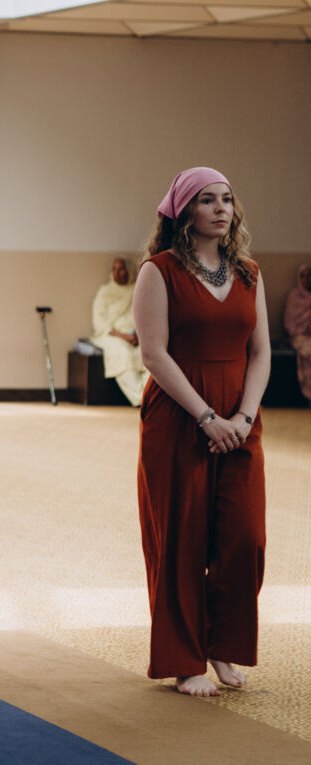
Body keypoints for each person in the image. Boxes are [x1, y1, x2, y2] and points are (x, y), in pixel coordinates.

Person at [132, 166, 270, 698]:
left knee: (244, 538)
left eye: (227, 199)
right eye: (207, 200)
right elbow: (153, 354)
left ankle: (221, 643)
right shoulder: (159, 270)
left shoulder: (249, 272)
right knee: (181, 540)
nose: (220, 209)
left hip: (241, 419)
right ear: (184, 211)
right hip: (179, 416)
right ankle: (184, 658)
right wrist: (207, 417)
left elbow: (260, 352)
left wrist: (243, 418)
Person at [90, 256, 150, 406]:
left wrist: (137, 335)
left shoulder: (136, 289)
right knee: (123, 353)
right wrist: (124, 336)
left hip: (137, 336)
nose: (117, 273)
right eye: (114, 269)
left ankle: (149, 395)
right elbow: (100, 323)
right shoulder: (105, 292)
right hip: (112, 336)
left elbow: (146, 315)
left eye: (121, 269)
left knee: (149, 352)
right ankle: (140, 398)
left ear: (128, 271)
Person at [284, 262, 311, 402]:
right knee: (307, 351)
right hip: (299, 336)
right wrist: (301, 331)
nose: (306, 279)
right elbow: (289, 322)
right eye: (303, 276)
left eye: (309, 276)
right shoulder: (294, 296)